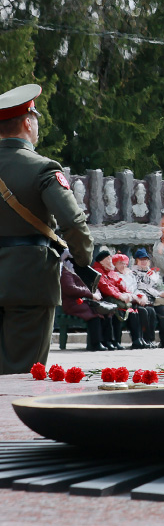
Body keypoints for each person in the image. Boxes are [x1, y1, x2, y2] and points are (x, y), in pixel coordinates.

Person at [0, 83, 94, 372]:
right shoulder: (42, 168)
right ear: (28, 122)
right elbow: (73, 223)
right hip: (29, 281)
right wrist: (83, 261)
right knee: (20, 373)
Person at [131, 248, 164, 348]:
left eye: (145, 259)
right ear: (136, 261)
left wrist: (163, 293)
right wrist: (158, 294)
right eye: (141, 259)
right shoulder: (133, 273)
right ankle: (149, 339)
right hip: (142, 300)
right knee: (151, 311)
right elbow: (140, 287)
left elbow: (159, 286)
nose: (144, 262)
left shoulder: (153, 273)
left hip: (155, 300)